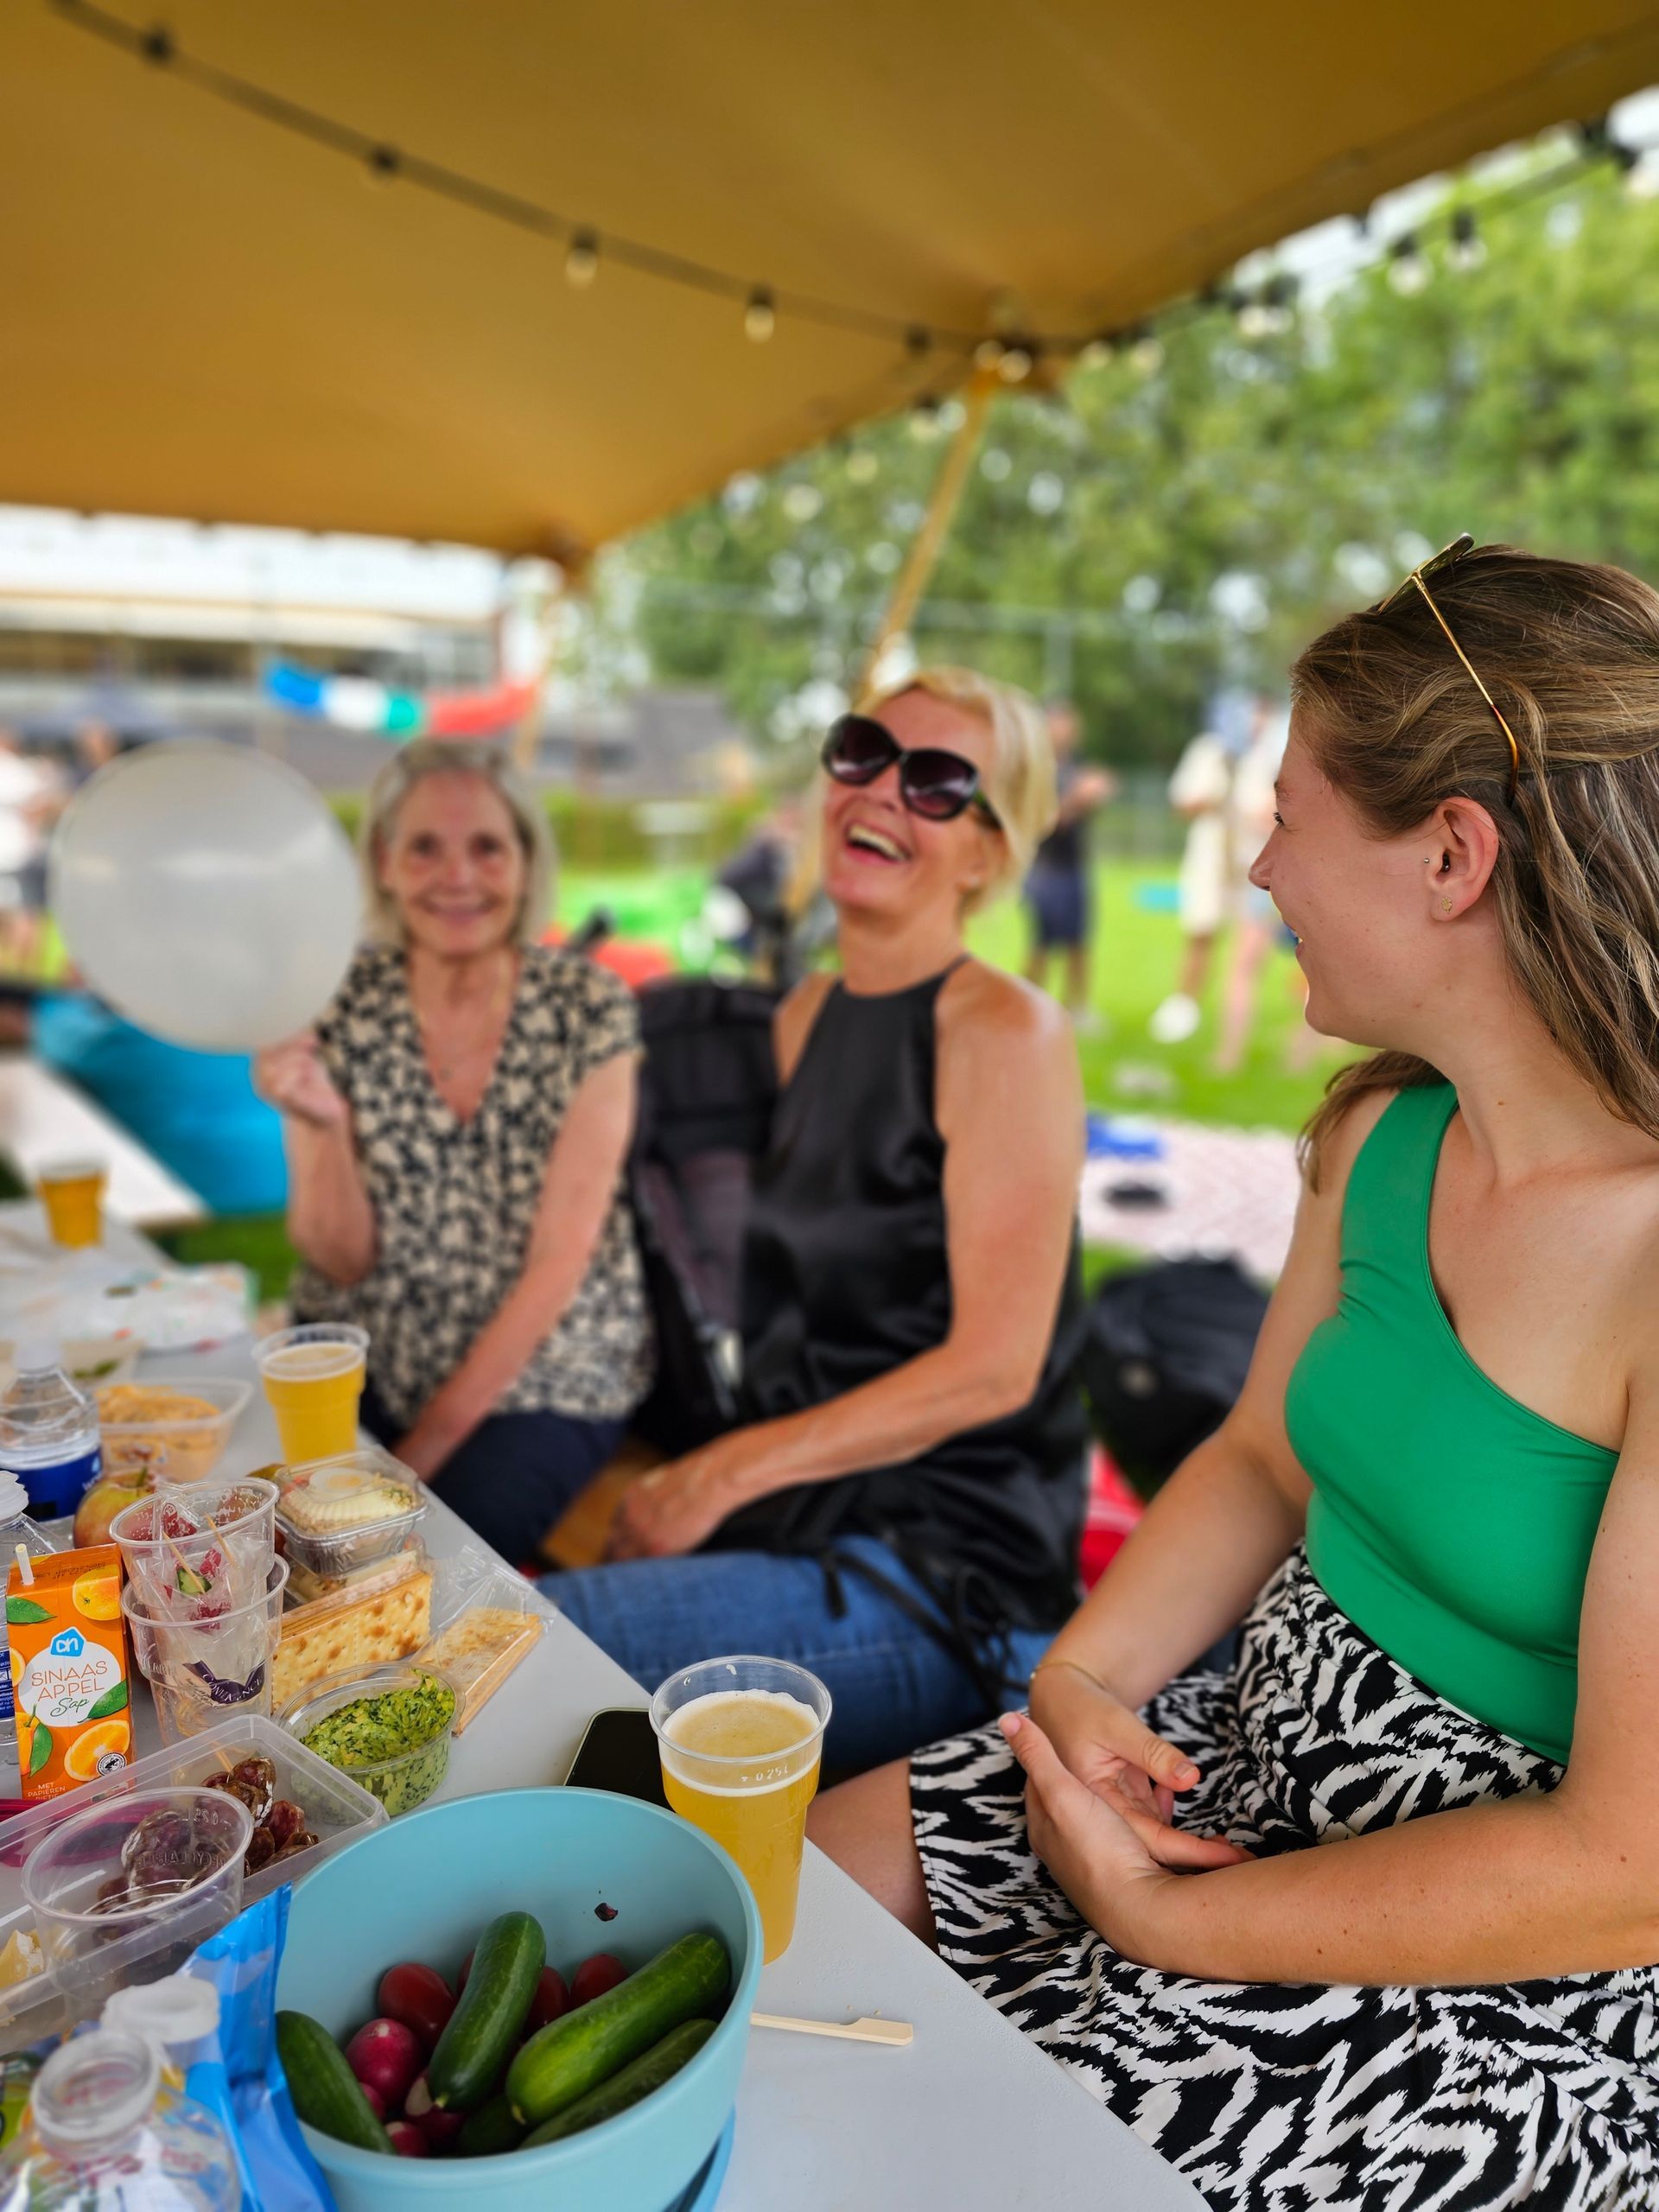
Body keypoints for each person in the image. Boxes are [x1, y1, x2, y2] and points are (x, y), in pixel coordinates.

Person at [812, 542, 1659, 2209]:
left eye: (1291, 818)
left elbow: (1624, 1866)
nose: (1258, 868)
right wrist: (1086, 1684)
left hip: (1500, 1932)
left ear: (1451, 857)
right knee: (791, 1882)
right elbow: (1266, 1456)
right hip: (1243, 1743)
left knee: (966, 2158)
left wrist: (1169, 1924)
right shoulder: (1383, 1133)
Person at [545, 668, 1091, 1774]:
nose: (884, 791)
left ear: (988, 852)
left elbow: (995, 1369)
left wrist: (719, 1475)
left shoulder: (1004, 1030)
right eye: (863, 752)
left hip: (942, 1572)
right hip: (805, 1514)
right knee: (518, 1634)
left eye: (938, 782)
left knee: (543, 1662)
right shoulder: (803, 1014)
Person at [255, 740, 653, 1561]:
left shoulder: (587, 1005)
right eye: (425, 847)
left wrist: (413, 1465)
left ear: (526, 861)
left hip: (543, 1372)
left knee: (423, 1563)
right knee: (259, 1550)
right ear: (385, 864)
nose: (457, 876)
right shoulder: (335, 999)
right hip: (369, 1355)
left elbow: (558, 1266)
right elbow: (340, 1256)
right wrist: (323, 1123)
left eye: (487, 847)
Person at [1147, 697, 1243, 1044]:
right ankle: (1185, 1007)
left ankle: (1234, 1025)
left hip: (1250, 860)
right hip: (1209, 859)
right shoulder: (1207, 751)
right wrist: (1214, 797)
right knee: (1201, 933)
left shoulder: (1265, 752)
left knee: (1249, 945)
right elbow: (1182, 802)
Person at [1022, 700, 1114, 1027]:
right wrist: (1079, 797)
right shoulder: (1038, 770)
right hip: (1045, 869)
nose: (1068, 731)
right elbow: (1047, 821)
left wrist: (1097, 795)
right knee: (1042, 945)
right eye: (1061, 723)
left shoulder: (1077, 765)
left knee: (1079, 942)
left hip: (1075, 865)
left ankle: (1077, 1009)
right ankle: (1025, 1007)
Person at [1211, 694, 1289, 1074]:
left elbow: (1276, 816)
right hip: (1255, 880)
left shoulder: (1271, 761)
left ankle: (1230, 1055)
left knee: (1244, 967)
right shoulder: (1248, 759)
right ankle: (1234, 1053)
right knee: (1247, 967)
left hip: (1272, 882)